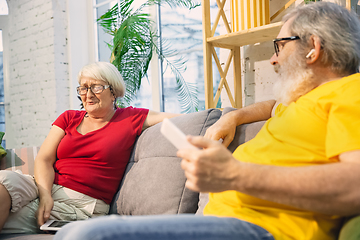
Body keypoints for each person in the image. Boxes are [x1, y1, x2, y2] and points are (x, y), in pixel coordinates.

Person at [54, 2, 360, 240]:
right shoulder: (301, 101)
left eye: (280, 45)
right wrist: (234, 117)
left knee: (87, 234)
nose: (273, 59)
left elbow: (355, 186)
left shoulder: (350, 93)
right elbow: (271, 106)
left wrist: (235, 175)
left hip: (265, 230)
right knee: (68, 232)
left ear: (314, 49)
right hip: (221, 222)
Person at [0, 61, 179, 234]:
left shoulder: (130, 118)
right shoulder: (69, 118)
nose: (88, 94)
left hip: (83, 204)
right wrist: (45, 194)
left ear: (113, 91)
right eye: (83, 88)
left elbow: (177, 118)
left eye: (96, 87)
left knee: (11, 216)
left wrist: (209, 125)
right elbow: (44, 159)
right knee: (4, 182)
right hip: (45, 186)